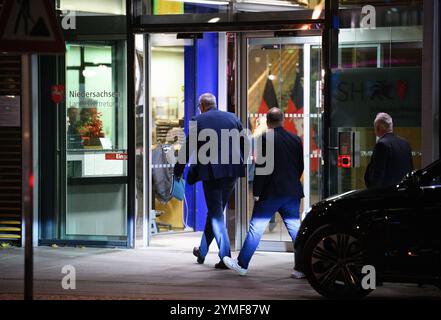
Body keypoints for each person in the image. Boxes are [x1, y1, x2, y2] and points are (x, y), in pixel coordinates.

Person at [222, 108, 305, 278]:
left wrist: (257, 191)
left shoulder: (265, 139)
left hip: (271, 193)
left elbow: (262, 168)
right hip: (291, 192)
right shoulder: (296, 139)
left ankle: (242, 264)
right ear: (282, 120)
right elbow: (300, 166)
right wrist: (291, 182)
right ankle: (302, 268)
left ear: (267, 122)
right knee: (296, 230)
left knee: (256, 228)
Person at [173, 93, 246, 269]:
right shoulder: (233, 118)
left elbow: (188, 147)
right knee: (215, 212)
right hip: (232, 172)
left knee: (216, 214)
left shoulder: (197, 120)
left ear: (202, 106)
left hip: (212, 173)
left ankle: (225, 256)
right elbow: (244, 143)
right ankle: (202, 251)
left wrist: (178, 171)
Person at [364, 113, 413, 188]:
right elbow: (410, 172)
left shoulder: (381, 145)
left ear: (377, 128)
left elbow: (377, 177)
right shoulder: (405, 143)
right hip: (404, 194)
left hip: (387, 195)